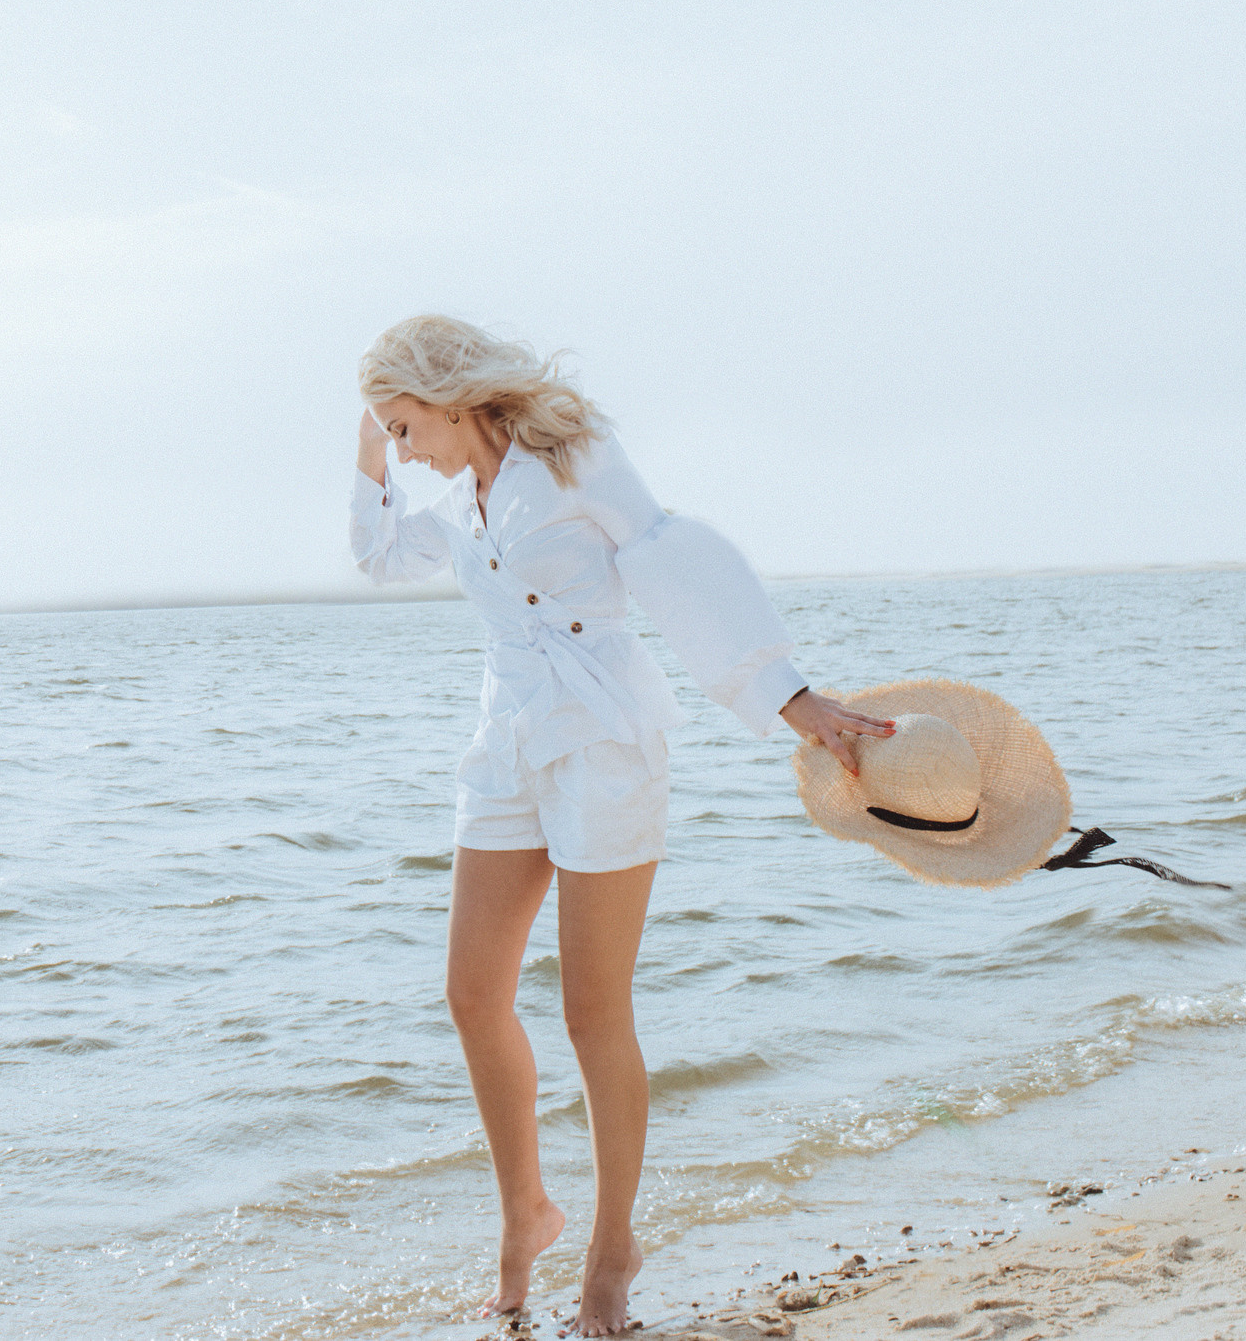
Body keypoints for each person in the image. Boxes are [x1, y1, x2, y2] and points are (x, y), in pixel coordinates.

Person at [349, 315, 891, 1337]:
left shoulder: (572, 455)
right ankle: (526, 1215)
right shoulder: (452, 497)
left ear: (455, 397)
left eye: (407, 423)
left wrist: (794, 700)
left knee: (592, 1013)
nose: (403, 446)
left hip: (602, 743)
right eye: (392, 432)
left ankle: (610, 1248)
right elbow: (377, 556)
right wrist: (370, 451)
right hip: (506, 743)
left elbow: (679, 570)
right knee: (471, 996)